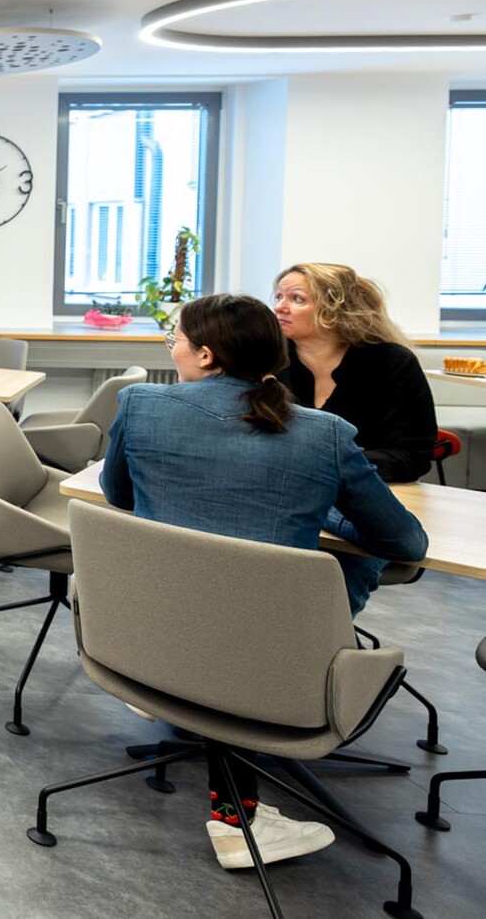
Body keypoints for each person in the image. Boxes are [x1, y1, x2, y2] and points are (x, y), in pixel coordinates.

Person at [100, 293, 427, 873]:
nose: (172, 349)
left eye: (175, 340)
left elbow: (120, 494)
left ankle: (234, 802)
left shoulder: (140, 405)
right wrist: (324, 508)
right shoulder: (324, 434)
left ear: (205, 354)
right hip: (268, 659)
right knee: (329, 576)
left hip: (146, 636)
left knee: (223, 601)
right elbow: (405, 544)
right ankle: (236, 817)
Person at [272, 262, 437, 482]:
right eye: (279, 297)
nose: (280, 307)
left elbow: (411, 456)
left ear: (334, 310)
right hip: (284, 487)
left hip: (370, 489)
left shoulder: (392, 362)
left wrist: (327, 467)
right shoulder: (266, 361)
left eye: (297, 299)